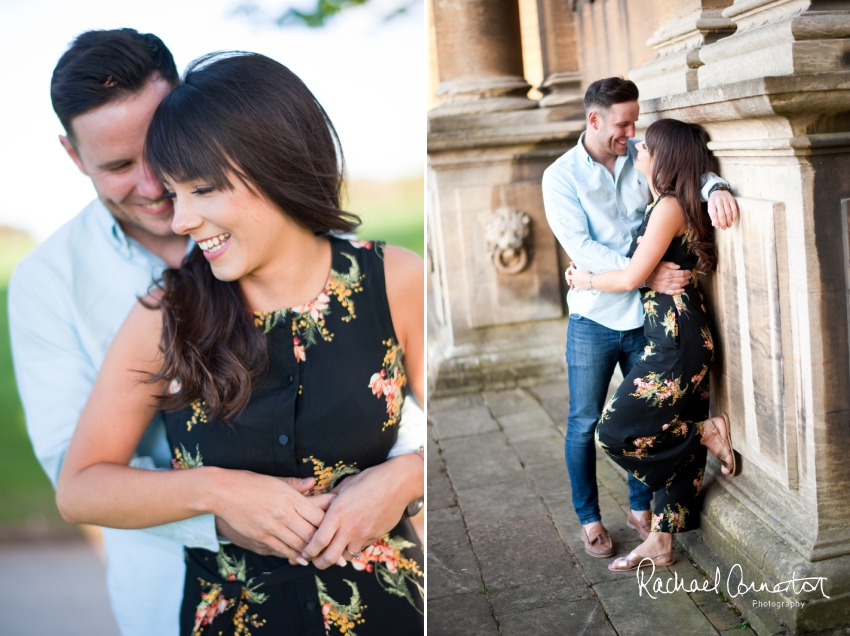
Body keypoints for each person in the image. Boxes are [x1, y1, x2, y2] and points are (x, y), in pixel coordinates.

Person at [9, 29, 424, 636]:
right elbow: (79, 483)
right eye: (122, 166)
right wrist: (217, 495)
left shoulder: (390, 277)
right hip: (201, 598)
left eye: (183, 175)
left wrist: (407, 476)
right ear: (76, 158)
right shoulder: (134, 302)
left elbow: (454, 431)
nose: (164, 202)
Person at [541, 77, 738, 559]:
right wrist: (642, 274)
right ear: (594, 119)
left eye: (635, 122)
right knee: (585, 421)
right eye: (623, 123)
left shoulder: (640, 157)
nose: (631, 133)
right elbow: (582, 250)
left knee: (652, 417)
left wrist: (716, 187)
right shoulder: (561, 176)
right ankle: (589, 519)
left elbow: (685, 174)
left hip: (651, 323)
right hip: (595, 317)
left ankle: (641, 511)